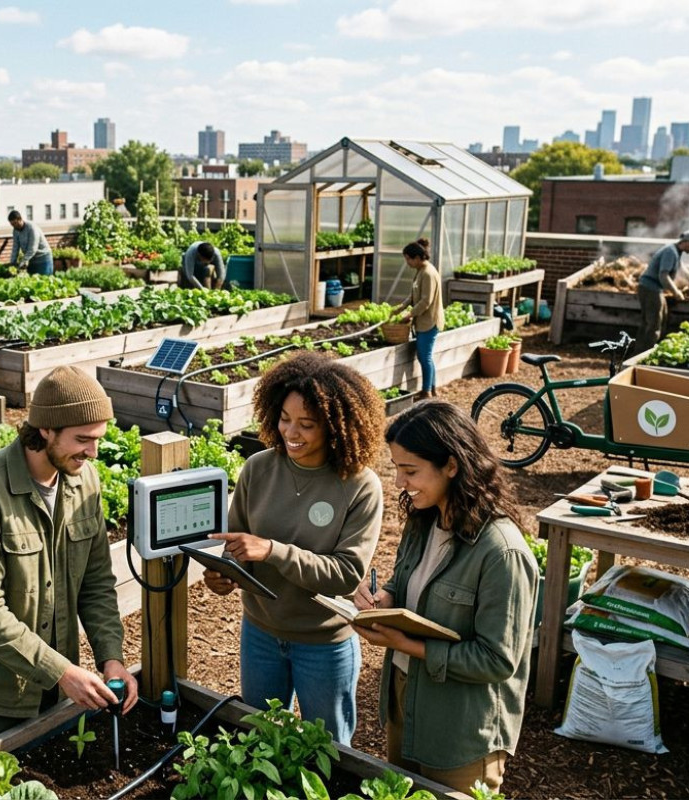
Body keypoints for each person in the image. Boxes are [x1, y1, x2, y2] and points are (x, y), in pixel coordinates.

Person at [0, 365, 136, 757]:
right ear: (45, 430)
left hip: (55, 687)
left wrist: (111, 658)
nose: (92, 452)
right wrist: (60, 671)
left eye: (98, 439)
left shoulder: (84, 481)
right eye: (82, 440)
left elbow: (95, 582)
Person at [352, 401, 538, 795]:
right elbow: (405, 584)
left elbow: (497, 659)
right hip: (406, 701)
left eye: (410, 470)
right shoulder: (424, 521)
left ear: (452, 466)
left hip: (460, 729)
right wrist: (383, 595)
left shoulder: (502, 553)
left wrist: (408, 644)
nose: (400, 482)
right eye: (397, 469)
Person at [201, 351, 385, 745]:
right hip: (261, 634)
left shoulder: (359, 484)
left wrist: (272, 550)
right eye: (285, 419)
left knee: (329, 750)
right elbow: (238, 547)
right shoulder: (259, 468)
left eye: (307, 424)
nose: (291, 433)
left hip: (323, 642)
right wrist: (224, 575)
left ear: (336, 426)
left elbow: (347, 574)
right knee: (260, 743)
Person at [391, 238, 444, 401]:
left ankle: (427, 391)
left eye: (408, 258)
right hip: (425, 321)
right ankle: (432, 389)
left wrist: (409, 314)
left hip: (430, 322)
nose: (407, 262)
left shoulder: (428, 273)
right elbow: (415, 295)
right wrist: (400, 308)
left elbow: (425, 301)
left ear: (417, 257)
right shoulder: (421, 271)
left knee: (424, 357)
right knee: (426, 356)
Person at [637, 229, 689, 353]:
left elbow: (681, 268)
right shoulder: (670, 252)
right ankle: (643, 356)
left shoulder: (676, 251)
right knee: (653, 325)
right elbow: (663, 275)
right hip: (651, 289)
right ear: (688, 242)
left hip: (653, 288)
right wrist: (676, 292)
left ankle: (641, 352)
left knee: (656, 320)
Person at [8, 210, 54, 276]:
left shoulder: (32, 228)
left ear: (20, 219)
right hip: (32, 260)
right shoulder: (15, 230)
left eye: (15, 223)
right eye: (12, 224)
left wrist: (22, 262)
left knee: (44, 281)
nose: (14, 226)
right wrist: (12, 263)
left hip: (43, 259)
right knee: (33, 282)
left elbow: (32, 249)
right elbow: (15, 248)